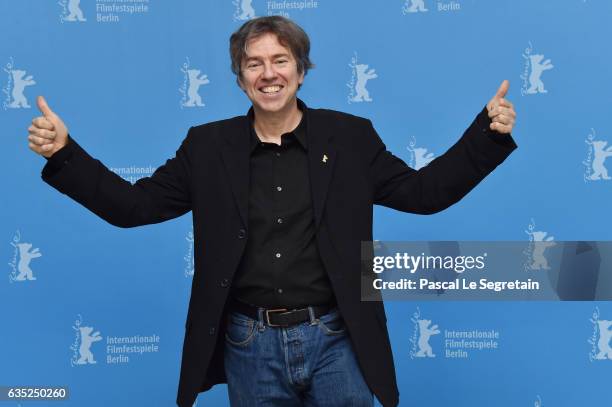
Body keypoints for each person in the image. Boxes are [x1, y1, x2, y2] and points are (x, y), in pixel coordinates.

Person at [27, 16, 517, 407]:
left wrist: (487, 136)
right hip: (248, 343)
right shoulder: (206, 147)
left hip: (337, 338)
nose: (269, 74)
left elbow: (423, 194)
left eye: (280, 60)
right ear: (240, 79)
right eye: (254, 64)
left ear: (301, 71)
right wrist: (65, 154)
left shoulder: (349, 138)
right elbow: (133, 207)